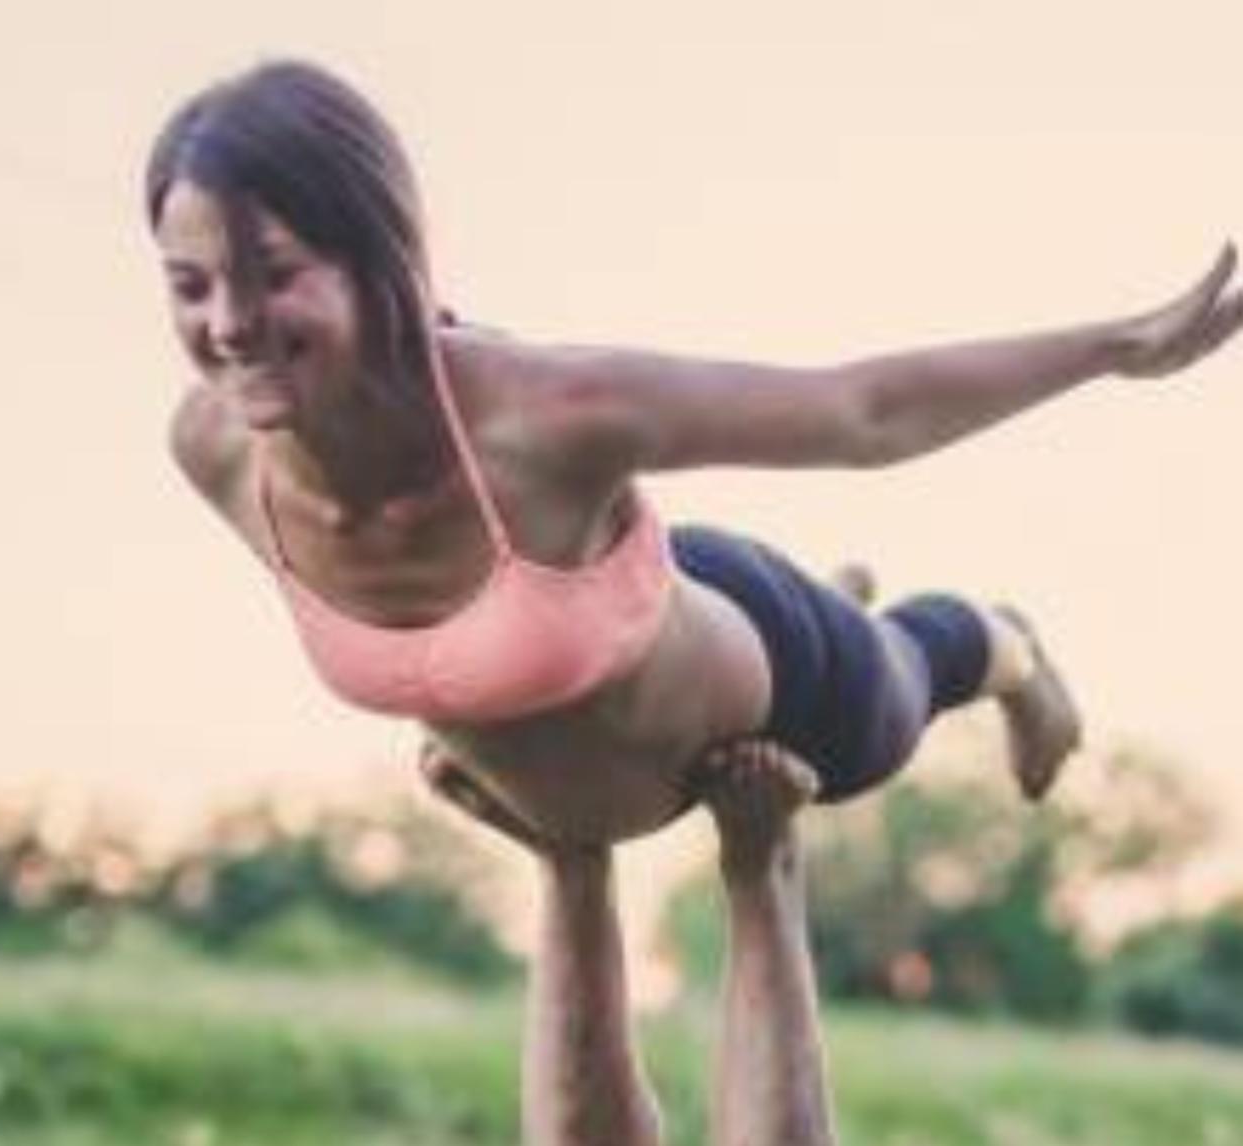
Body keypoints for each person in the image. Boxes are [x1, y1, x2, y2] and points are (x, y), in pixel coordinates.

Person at [146, 58, 1240, 1145]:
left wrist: (1115, 349)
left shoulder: (542, 414)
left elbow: (861, 413)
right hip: (609, 671)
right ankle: (815, 597)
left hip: (768, 684)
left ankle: (1008, 651)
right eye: (190, 285)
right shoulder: (216, 453)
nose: (230, 323)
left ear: (379, 257)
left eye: (274, 274)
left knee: (903, 678)